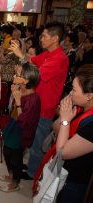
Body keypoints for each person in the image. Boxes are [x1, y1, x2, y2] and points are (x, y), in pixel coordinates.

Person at [9, 22, 69, 179]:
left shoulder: (60, 58)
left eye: (44, 36)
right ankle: (28, 166)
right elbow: (32, 61)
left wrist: (20, 55)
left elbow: (36, 74)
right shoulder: (48, 53)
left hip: (44, 106)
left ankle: (33, 173)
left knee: (37, 144)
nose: (41, 39)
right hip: (34, 102)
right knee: (29, 137)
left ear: (55, 38)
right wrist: (23, 57)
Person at [0, 63, 40, 192]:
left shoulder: (33, 99)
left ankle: (15, 183)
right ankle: (11, 175)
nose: (15, 76)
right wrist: (14, 94)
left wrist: (19, 101)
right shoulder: (21, 89)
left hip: (21, 131)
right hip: (13, 123)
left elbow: (24, 122)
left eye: (18, 75)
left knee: (15, 158)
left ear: (26, 80)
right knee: (6, 151)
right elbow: (11, 109)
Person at [53, 64, 93, 203]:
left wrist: (65, 121)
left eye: (74, 90)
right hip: (61, 173)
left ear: (88, 96)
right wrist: (62, 118)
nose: (70, 93)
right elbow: (56, 129)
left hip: (74, 182)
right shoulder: (82, 107)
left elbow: (63, 152)